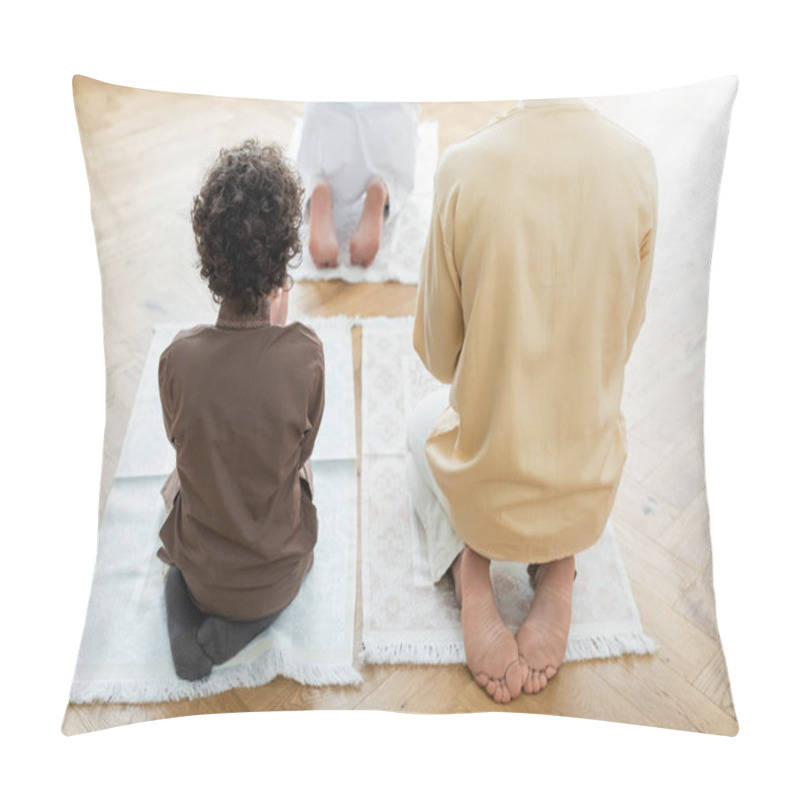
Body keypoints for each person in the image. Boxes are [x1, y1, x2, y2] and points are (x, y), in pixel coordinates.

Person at [407, 99, 658, 703]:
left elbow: (438, 357)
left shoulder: (463, 168)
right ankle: (561, 563)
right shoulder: (638, 164)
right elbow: (620, 344)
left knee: (421, 425)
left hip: (487, 492)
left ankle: (473, 568)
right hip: (585, 489)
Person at [157, 140, 325, 681]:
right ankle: (248, 627)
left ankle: (190, 627)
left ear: (208, 253)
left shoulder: (178, 359)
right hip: (278, 575)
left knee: (174, 511)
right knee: (301, 482)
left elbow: (183, 443)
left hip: (202, 578)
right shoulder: (304, 355)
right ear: (285, 257)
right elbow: (300, 453)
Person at [296, 102, 420, 268]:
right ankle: (385, 188)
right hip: (388, 120)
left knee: (313, 166)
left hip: (329, 119)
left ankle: (317, 185)